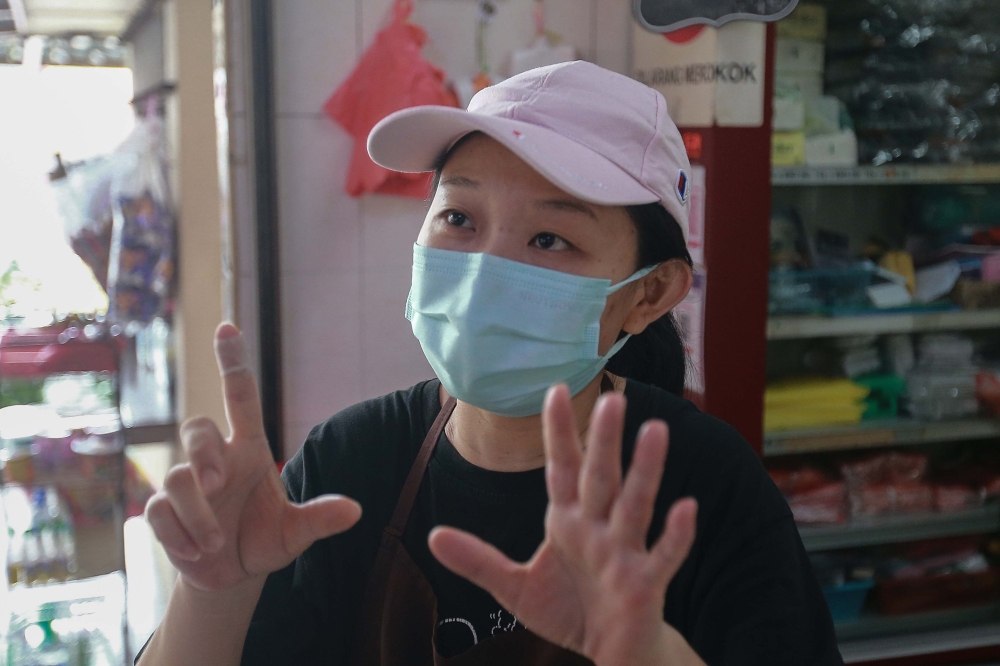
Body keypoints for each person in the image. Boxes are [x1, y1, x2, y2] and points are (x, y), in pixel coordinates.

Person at [136, 61, 842, 666]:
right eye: (459, 219)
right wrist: (212, 591)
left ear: (648, 294)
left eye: (549, 239)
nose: (482, 272)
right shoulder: (346, 466)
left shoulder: (703, 486)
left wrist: (647, 652)